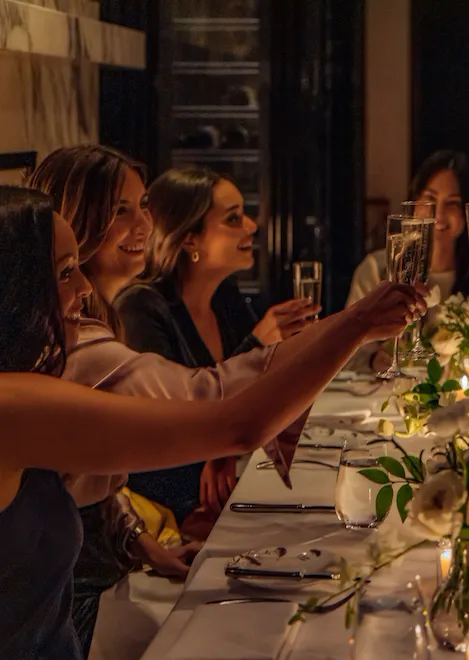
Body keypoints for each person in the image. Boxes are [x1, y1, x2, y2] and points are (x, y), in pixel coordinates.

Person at [0, 185, 424, 659]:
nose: (82, 287)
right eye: (64, 272)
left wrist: (136, 538)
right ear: (15, 288)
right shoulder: (15, 403)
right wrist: (359, 322)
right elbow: (234, 424)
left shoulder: (28, 381)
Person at [28, 147, 318, 652]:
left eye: (144, 206)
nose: (145, 222)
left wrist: (138, 541)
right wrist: (354, 325)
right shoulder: (85, 335)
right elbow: (207, 401)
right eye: (122, 209)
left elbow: (91, 472)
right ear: (72, 220)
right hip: (75, 599)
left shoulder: (107, 315)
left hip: (111, 565)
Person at [115, 165, 316, 526]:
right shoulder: (141, 307)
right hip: (169, 507)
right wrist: (260, 342)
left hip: (231, 481)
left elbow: (257, 387)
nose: (251, 227)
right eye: (233, 219)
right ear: (189, 238)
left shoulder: (224, 294)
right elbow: (169, 420)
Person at [346, 150, 469, 372]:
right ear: (414, 201)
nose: (438, 213)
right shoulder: (377, 269)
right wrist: (373, 362)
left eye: (453, 203)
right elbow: (348, 354)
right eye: (430, 199)